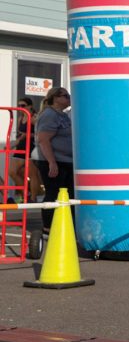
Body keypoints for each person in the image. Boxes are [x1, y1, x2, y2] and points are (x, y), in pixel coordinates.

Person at [30, 87, 76, 235]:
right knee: (53, 194)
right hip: (54, 161)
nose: (69, 98)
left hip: (66, 161)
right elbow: (43, 140)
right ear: (56, 98)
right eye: (66, 96)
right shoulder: (49, 115)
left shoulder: (62, 115)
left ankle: (64, 225)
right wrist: (52, 162)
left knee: (69, 194)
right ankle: (47, 228)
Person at [9, 97, 42, 203]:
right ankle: (26, 193)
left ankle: (33, 198)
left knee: (32, 174)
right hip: (20, 148)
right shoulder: (20, 118)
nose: (20, 108)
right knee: (12, 172)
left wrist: (27, 135)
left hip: (30, 148)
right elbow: (20, 135)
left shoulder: (33, 117)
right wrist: (15, 143)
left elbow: (39, 133)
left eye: (23, 106)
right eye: (19, 106)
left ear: (30, 106)